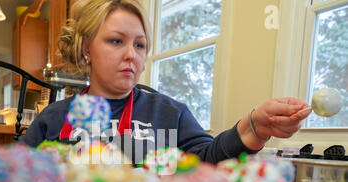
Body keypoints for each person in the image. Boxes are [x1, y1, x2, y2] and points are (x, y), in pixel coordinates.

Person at [22, 0, 312, 165]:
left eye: (139, 45)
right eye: (115, 41)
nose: (130, 55)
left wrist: (251, 129)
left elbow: (207, 160)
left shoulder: (170, 115)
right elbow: (12, 171)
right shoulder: (54, 119)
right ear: (87, 48)